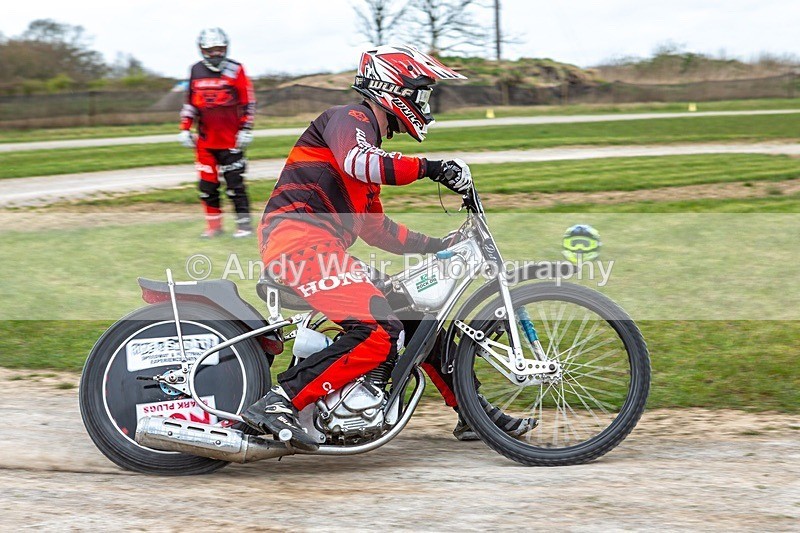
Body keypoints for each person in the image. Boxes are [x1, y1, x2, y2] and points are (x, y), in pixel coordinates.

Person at [242, 45, 535, 450]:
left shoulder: (365, 155)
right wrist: (432, 168)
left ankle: (472, 411)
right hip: (298, 243)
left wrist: (438, 245)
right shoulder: (350, 119)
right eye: (420, 94)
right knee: (379, 330)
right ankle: (280, 402)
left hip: (319, 248)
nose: (424, 106)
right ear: (393, 88)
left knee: (414, 311)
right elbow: (360, 160)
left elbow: (377, 230)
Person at [179, 27, 256, 238]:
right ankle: (214, 227)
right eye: (210, 50)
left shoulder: (236, 69)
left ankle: (244, 227)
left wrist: (246, 128)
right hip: (205, 142)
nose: (216, 54)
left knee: (235, 186)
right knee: (207, 187)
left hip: (232, 140)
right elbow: (190, 104)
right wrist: (185, 128)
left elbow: (248, 102)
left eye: (220, 49)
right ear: (202, 50)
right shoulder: (195, 70)